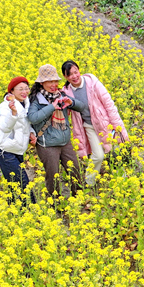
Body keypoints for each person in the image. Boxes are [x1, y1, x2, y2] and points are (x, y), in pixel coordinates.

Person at [61, 60, 129, 187]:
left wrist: (117, 126)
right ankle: (88, 183)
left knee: (115, 151)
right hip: (88, 126)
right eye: (70, 74)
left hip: (104, 123)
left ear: (79, 70)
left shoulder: (92, 83)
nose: (74, 76)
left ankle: (123, 181)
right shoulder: (66, 92)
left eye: (76, 72)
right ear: (65, 77)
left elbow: (109, 104)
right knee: (98, 156)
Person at [26, 64, 89, 198]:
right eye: (50, 81)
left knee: (75, 171)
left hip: (65, 142)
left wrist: (70, 102)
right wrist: (52, 107)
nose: (54, 84)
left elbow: (81, 106)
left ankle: (79, 198)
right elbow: (33, 117)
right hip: (47, 145)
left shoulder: (61, 95)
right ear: (42, 83)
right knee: (53, 176)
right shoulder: (36, 99)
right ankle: (53, 202)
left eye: (56, 81)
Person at [0, 76, 36, 202]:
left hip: (16, 150)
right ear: (12, 91)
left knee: (15, 185)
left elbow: (24, 125)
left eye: (26, 88)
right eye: (20, 89)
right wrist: (13, 114)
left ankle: (16, 214)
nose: (24, 91)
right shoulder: (5, 107)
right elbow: (4, 127)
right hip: (5, 151)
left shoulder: (25, 104)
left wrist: (31, 133)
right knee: (23, 184)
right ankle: (29, 213)